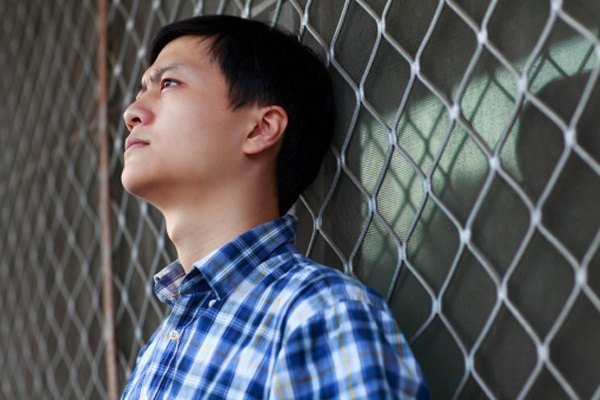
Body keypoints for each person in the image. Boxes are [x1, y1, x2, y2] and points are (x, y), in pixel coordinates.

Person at [120, 14, 428, 399]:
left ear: (260, 128)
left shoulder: (319, 315)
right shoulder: (162, 345)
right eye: (142, 89)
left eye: (168, 83)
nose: (132, 112)